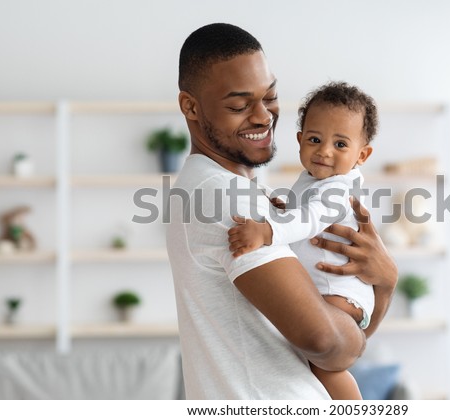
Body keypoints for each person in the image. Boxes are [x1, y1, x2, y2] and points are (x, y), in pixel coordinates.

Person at [166, 23, 398, 400]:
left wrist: (379, 289)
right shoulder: (223, 196)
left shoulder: (246, 192)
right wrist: (384, 288)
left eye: (270, 96)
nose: (263, 116)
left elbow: (333, 346)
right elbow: (325, 342)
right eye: (240, 105)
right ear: (190, 106)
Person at [228, 81, 379, 399]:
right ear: (299, 141)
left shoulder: (338, 188)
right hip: (326, 290)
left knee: (324, 365)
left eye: (340, 145)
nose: (324, 151)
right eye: (315, 139)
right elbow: (306, 214)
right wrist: (286, 210)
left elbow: (310, 218)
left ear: (362, 154)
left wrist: (268, 231)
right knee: (308, 363)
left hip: (338, 293)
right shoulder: (314, 179)